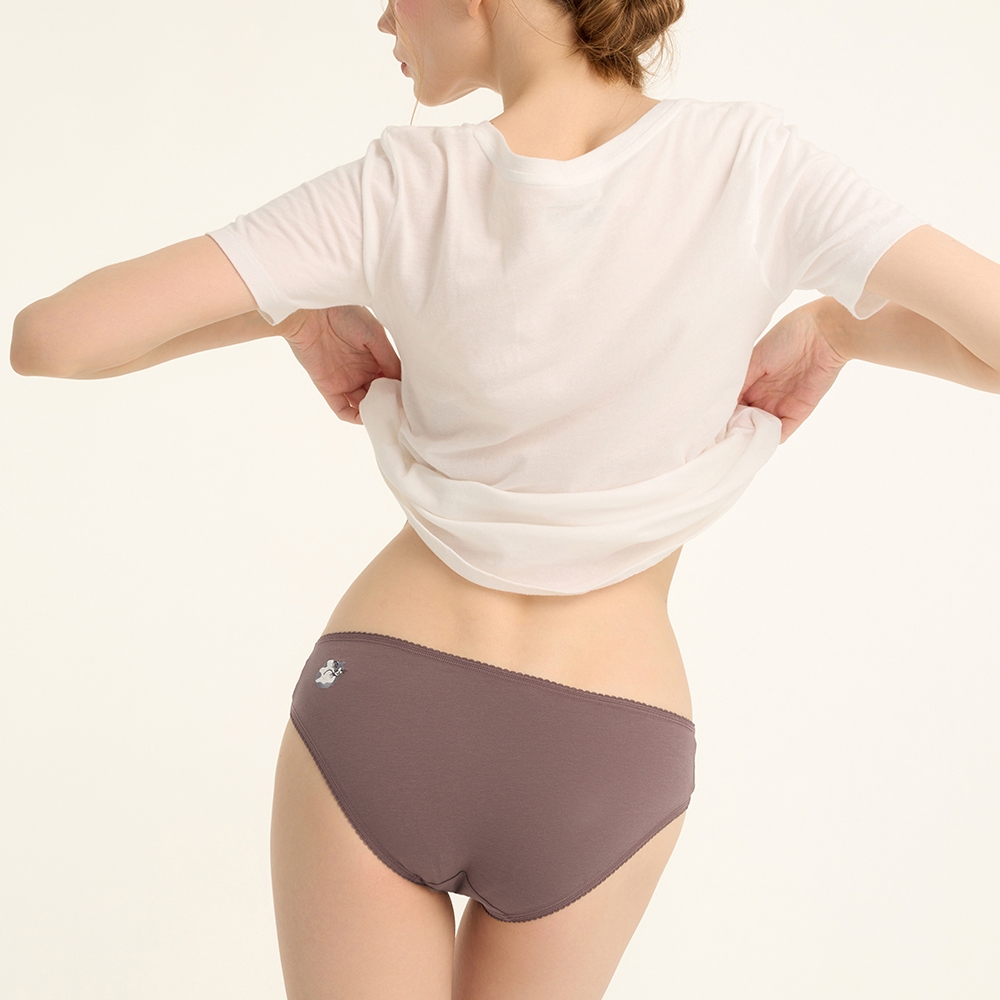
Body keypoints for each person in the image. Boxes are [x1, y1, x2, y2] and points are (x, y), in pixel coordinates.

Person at [9, 0, 1000, 997]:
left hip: (387, 703)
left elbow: (55, 339)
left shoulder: (401, 185)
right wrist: (843, 329)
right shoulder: (757, 165)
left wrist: (294, 315)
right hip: (610, 741)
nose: (383, 18)